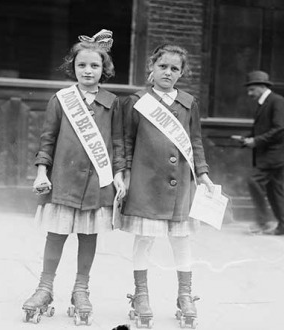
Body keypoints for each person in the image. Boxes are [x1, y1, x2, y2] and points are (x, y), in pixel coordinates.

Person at [22, 29, 126, 325]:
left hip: (97, 183)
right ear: (73, 67)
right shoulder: (61, 99)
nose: (88, 70)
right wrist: (42, 172)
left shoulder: (112, 102)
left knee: (88, 236)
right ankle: (44, 288)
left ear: (103, 69)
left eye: (94, 65)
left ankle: (81, 288)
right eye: (82, 65)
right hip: (63, 181)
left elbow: (118, 143)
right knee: (55, 235)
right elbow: (47, 139)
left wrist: (119, 175)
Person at [119, 44, 213, 328]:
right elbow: (125, 141)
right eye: (163, 66)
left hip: (180, 183)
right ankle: (141, 294)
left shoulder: (188, 102)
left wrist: (204, 173)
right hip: (146, 181)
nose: (168, 72)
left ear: (182, 73)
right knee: (145, 238)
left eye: (175, 69)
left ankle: (185, 295)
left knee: (181, 239)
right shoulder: (137, 101)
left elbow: (194, 141)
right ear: (152, 67)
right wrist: (123, 173)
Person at [242, 71, 284, 235]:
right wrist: (247, 138)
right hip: (273, 156)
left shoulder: (277, 101)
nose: (249, 93)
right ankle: (281, 226)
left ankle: (263, 221)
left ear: (261, 87)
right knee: (276, 190)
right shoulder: (265, 102)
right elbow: (262, 128)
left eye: (251, 89)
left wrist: (256, 141)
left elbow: (280, 128)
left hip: (274, 155)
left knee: (254, 181)